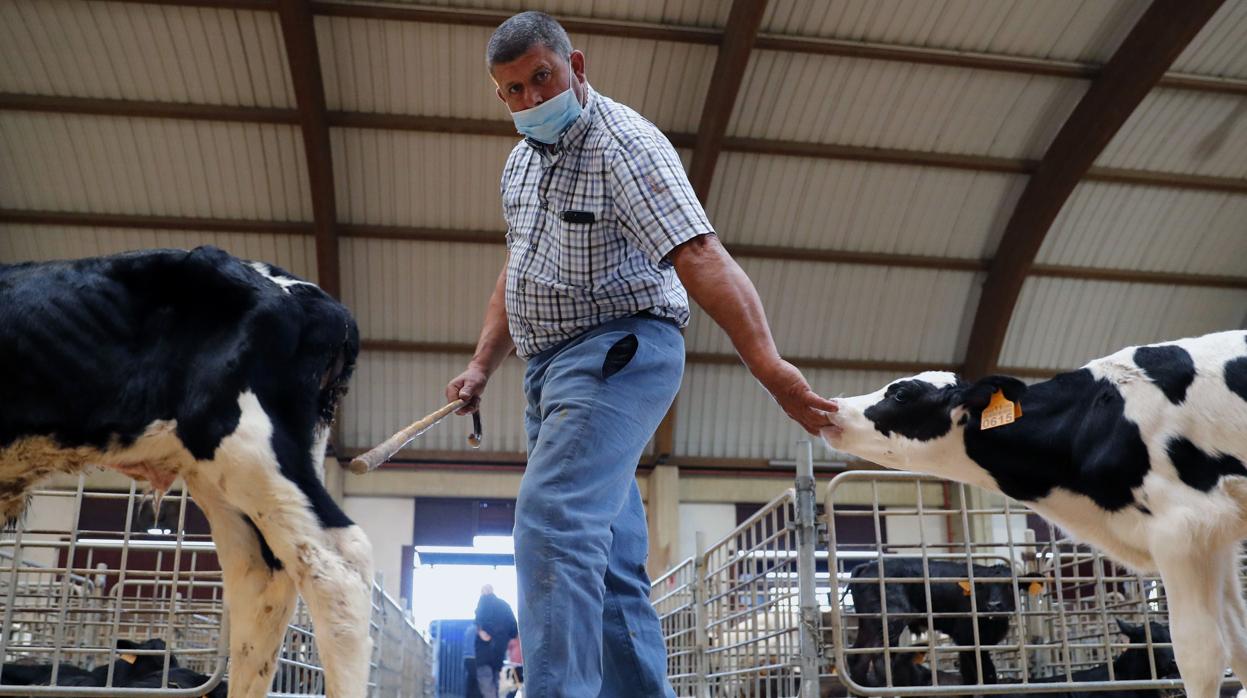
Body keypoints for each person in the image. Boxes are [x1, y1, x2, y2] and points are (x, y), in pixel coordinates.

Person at [445, 11, 837, 697]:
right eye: (513, 90)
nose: (532, 99)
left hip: (617, 357)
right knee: (610, 562)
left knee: (551, 523)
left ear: (577, 66)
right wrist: (482, 365)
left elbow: (697, 252)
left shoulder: (623, 147)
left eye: (542, 77)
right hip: (550, 374)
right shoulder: (518, 165)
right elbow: (520, 270)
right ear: (499, 95)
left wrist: (769, 368)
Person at [474, 585, 518, 698]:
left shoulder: (483, 601)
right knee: (495, 683)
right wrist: (503, 637)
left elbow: (478, 620)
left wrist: (481, 631)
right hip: (499, 651)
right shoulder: (505, 606)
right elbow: (514, 630)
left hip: (484, 651)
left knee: (487, 685)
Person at [462, 621, 482, 698]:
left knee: (471, 682)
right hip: (474, 658)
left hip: (467, 659)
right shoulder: (477, 630)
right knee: (478, 684)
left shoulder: (469, 630)